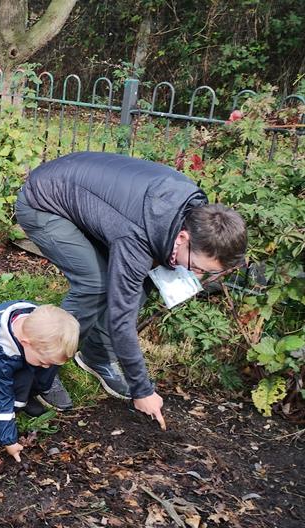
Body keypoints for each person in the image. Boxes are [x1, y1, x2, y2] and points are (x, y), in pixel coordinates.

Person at [15, 152, 247, 428]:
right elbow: (121, 319)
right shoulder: (136, 235)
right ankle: (44, 368)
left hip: (92, 200)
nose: (196, 274)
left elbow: (143, 274)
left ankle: (96, 356)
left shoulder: (192, 210)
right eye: (197, 266)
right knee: (95, 284)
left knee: (142, 276)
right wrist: (142, 389)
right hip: (44, 201)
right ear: (183, 238)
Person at [0, 302, 79, 460]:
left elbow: (44, 359)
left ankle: (29, 394)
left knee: (42, 368)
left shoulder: (37, 327)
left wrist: (43, 364)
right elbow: (1, 393)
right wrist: (9, 441)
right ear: (26, 343)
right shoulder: (0, 354)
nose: (46, 366)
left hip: (23, 357)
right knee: (8, 391)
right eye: (42, 361)